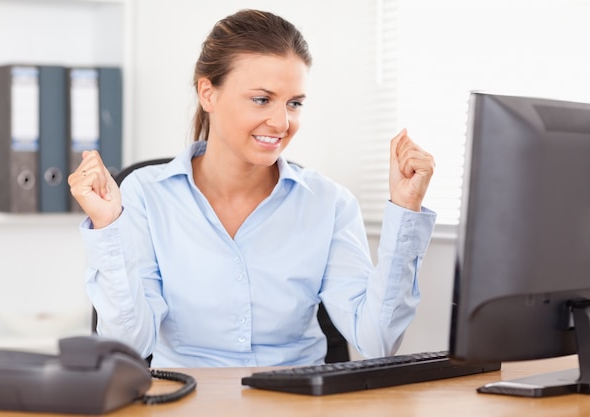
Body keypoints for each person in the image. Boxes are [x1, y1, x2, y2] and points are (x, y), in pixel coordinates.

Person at [68, 9, 436, 368]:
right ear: (208, 94)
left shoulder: (329, 203)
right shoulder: (145, 195)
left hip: (295, 402)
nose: (281, 122)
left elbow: (377, 342)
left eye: (294, 103)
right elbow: (128, 346)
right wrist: (108, 227)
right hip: (187, 400)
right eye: (262, 99)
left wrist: (405, 212)